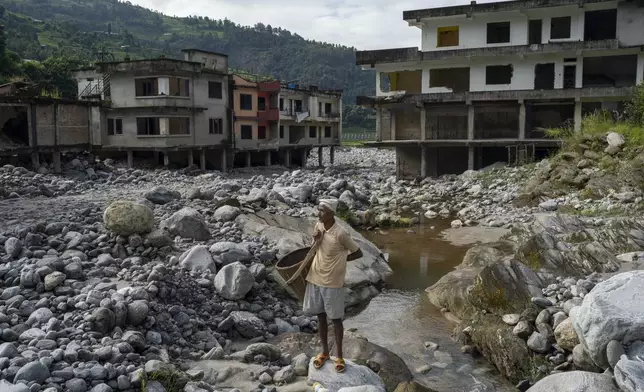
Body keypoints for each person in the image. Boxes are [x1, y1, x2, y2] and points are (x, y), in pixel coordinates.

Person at [304, 199, 363, 373]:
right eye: (318, 209)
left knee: (336, 319)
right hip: (315, 277)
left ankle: (339, 356)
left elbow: (358, 252)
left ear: (331, 213)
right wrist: (315, 240)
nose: (318, 213)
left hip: (332, 281)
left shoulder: (341, 233)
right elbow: (314, 249)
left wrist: (341, 261)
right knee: (320, 316)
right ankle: (324, 352)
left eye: (322, 210)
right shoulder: (318, 226)